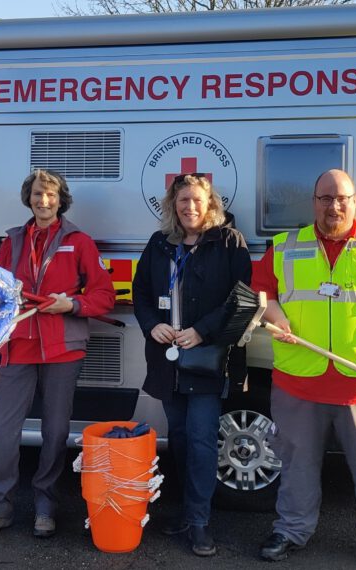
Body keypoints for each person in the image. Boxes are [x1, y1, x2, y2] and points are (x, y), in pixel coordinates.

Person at [253, 169, 356, 570]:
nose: (334, 205)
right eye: (325, 198)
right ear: (314, 202)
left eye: (342, 197)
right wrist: (275, 315)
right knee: (296, 465)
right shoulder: (284, 247)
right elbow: (262, 293)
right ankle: (291, 530)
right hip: (299, 382)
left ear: (355, 201)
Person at [0, 169, 115, 540]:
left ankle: (45, 507)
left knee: (54, 433)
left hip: (62, 351)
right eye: (37, 194)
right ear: (28, 197)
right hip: (17, 349)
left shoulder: (78, 241)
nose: (44, 201)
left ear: (61, 199)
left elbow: (104, 296)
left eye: (50, 195)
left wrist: (71, 304)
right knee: (3, 431)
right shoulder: (13, 240)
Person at [132, 173, 251, 557]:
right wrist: (153, 325)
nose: (190, 207)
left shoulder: (228, 241)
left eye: (197, 200)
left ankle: (199, 522)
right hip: (168, 359)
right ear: (173, 205)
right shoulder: (159, 244)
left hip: (207, 358)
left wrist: (201, 330)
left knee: (201, 439)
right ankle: (187, 511)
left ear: (210, 203)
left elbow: (241, 298)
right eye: (183, 200)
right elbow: (141, 294)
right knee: (179, 437)